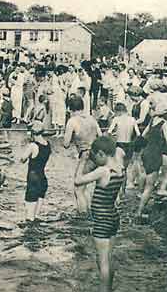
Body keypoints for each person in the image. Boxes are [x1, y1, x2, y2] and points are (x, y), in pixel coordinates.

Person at [74, 136, 124, 292]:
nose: (94, 161)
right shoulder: (119, 168)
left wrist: (82, 161)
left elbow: (77, 181)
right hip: (113, 217)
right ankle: (108, 288)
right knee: (109, 258)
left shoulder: (103, 171)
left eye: (95, 157)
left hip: (102, 220)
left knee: (102, 262)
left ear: (102, 153)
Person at [64, 95, 102, 216]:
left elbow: (65, 143)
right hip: (98, 155)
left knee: (78, 187)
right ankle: (90, 209)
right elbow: (101, 137)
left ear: (70, 109)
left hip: (85, 155)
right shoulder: (92, 119)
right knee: (87, 186)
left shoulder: (72, 121)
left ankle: (83, 215)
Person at [19, 121, 52, 222]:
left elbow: (22, 159)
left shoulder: (33, 146)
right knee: (36, 216)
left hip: (33, 178)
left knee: (29, 218)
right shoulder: (48, 144)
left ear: (32, 133)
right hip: (42, 179)